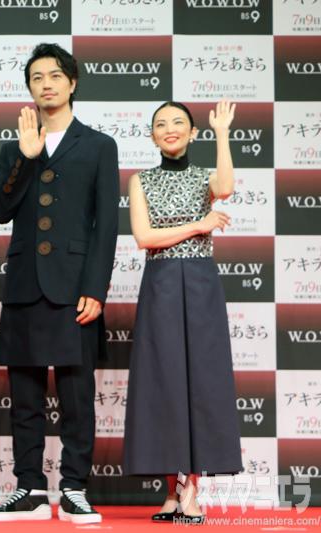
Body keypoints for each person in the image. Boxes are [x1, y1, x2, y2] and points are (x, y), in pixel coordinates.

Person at [0, 43, 119, 525]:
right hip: (24, 285)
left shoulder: (99, 145)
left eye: (55, 75)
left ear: (72, 82)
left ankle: (75, 488)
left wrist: (96, 289)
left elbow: (106, 224)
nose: (46, 84)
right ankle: (31, 489)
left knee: (77, 396)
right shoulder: (14, 146)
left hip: (76, 287)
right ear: (29, 88)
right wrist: (25, 158)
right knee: (25, 397)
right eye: (37, 77)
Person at [122, 100, 242, 524]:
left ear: (193, 133)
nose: (169, 128)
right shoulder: (140, 180)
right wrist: (197, 225)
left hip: (201, 283)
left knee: (201, 381)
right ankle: (171, 490)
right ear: (152, 136)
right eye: (160, 124)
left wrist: (222, 133)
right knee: (164, 381)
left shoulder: (204, 177)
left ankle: (191, 489)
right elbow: (144, 237)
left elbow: (225, 187)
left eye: (178, 123)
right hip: (161, 283)